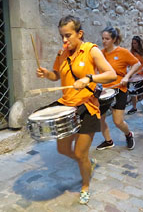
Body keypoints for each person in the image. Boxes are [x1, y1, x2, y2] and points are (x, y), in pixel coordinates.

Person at [36, 15, 116, 204]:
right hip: (66, 108)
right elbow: (57, 75)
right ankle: (88, 163)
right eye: (62, 36)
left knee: (80, 154)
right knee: (62, 149)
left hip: (87, 108)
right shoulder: (61, 53)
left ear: (79, 34)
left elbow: (111, 74)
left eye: (68, 36)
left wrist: (89, 78)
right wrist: (47, 74)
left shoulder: (91, 51)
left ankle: (85, 185)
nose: (64, 40)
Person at [96, 26, 141, 150]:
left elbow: (137, 64)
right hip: (104, 91)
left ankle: (128, 134)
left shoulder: (123, 52)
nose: (104, 41)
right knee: (101, 118)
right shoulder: (101, 53)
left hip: (119, 89)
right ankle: (108, 141)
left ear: (114, 39)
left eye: (107, 39)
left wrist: (127, 76)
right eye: (103, 39)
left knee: (118, 121)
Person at [127, 36, 143, 115]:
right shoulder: (132, 52)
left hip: (142, 74)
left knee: (141, 92)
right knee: (132, 91)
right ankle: (134, 107)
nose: (133, 45)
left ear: (139, 43)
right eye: (133, 43)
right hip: (135, 73)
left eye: (135, 43)